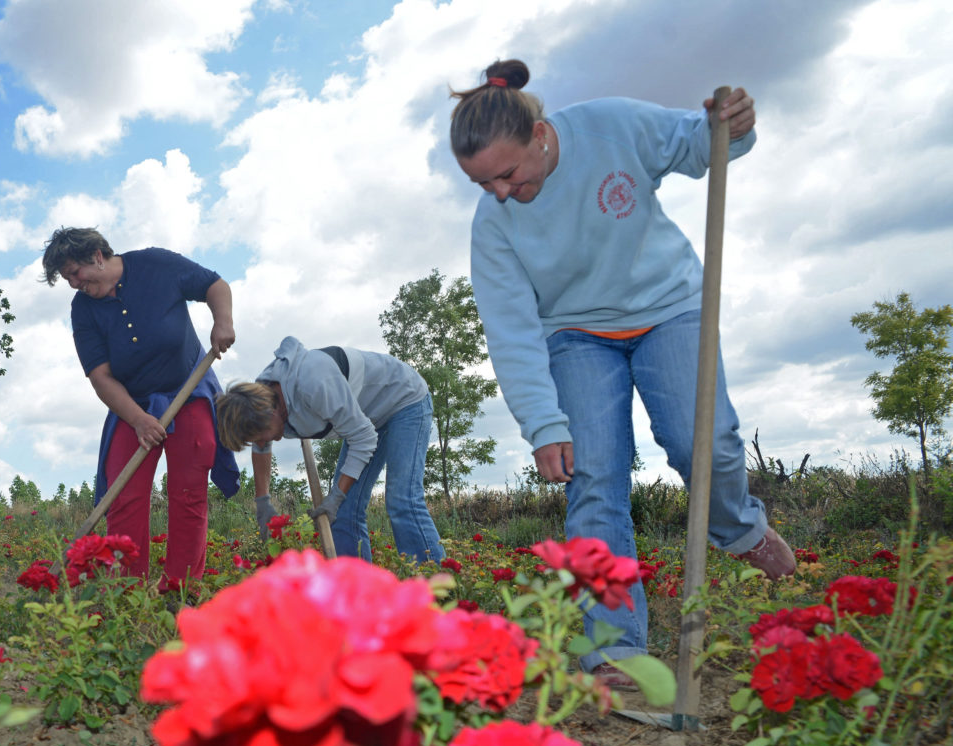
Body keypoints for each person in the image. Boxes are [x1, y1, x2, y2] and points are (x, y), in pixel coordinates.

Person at [449, 59, 794, 688]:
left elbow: (699, 144)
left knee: (700, 442)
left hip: (669, 308)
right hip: (575, 333)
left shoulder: (610, 126)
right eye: (482, 183)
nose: (498, 192)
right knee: (593, 479)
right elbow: (511, 330)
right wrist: (544, 424)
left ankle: (739, 528)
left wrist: (731, 127)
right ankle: (613, 648)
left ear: (540, 135)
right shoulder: (494, 224)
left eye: (507, 173)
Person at [42, 227, 240, 589]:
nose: (73, 284)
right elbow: (101, 376)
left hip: (188, 389)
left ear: (97, 256)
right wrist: (138, 419)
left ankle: (181, 590)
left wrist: (222, 321)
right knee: (124, 495)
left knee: (188, 493)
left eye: (75, 273)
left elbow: (215, 285)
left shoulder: (156, 264)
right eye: (67, 279)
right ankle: (127, 593)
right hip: (130, 404)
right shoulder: (83, 309)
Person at [215, 336, 446, 564]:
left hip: (403, 399)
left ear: (270, 412)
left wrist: (335, 496)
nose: (265, 440)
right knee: (344, 512)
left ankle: (435, 581)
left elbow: (363, 439)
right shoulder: (261, 397)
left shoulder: (313, 382)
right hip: (365, 418)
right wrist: (263, 501)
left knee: (402, 499)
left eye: (261, 434)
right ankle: (354, 585)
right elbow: (261, 446)